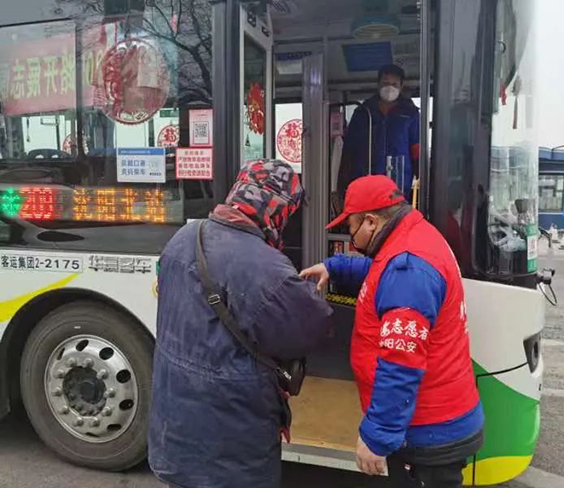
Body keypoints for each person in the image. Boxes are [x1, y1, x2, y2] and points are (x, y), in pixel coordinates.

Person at [149, 159, 333, 488]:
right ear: (277, 208)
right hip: (231, 444)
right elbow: (310, 329)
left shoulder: (185, 236)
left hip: (172, 429)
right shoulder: (264, 266)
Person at [300, 176, 484, 488]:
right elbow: (380, 272)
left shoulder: (409, 270)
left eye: (352, 229)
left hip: (428, 431)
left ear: (371, 222)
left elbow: (401, 364)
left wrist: (377, 436)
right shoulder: (413, 237)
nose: (352, 239)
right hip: (435, 417)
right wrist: (336, 267)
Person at [336, 64, 420, 203]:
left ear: (401, 86)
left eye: (394, 84)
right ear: (378, 84)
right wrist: (343, 184)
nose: (389, 88)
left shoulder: (410, 114)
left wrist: (422, 181)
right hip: (365, 182)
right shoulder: (363, 112)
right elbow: (349, 150)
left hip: (397, 184)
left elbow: (417, 150)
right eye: (386, 83)